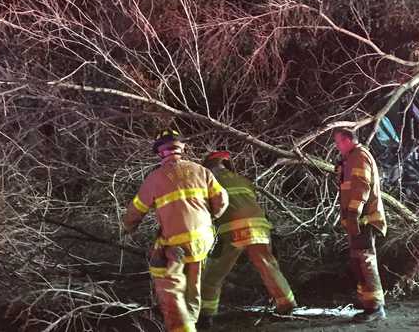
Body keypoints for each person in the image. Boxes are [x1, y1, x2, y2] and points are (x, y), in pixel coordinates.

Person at [122, 130, 229, 332]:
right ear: (182, 148)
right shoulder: (201, 171)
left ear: (160, 153)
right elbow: (222, 200)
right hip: (203, 237)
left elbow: (136, 209)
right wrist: (209, 217)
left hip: (176, 242)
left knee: (168, 281)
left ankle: (182, 326)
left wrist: (127, 227)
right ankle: (196, 319)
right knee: (194, 282)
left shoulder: (155, 178)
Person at [198, 151, 295, 329]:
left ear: (208, 167)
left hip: (231, 230)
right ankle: (287, 305)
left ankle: (205, 316)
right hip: (260, 227)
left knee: (213, 275)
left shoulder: (207, 181)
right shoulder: (242, 180)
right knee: (268, 266)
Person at [333, 127, 387, 322]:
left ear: (348, 140)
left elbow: (361, 186)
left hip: (363, 220)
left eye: (338, 142)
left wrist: (354, 214)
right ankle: (368, 302)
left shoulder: (359, 156)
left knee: (364, 261)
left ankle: (375, 307)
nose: (337, 146)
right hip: (358, 220)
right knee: (359, 261)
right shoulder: (353, 158)